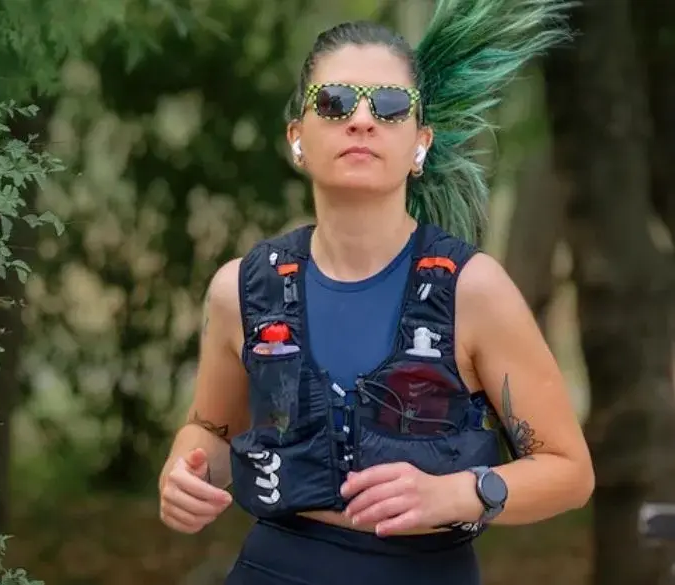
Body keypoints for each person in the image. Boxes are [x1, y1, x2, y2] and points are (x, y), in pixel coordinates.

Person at [157, 0, 594, 583]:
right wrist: (185, 474)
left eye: (390, 108)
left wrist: (457, 494)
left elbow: (569, 473)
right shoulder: (243, 288)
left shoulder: (472, 289)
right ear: (298, 137)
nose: (361, 121)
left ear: (420, 143)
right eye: (335, 103)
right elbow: (210, 431)